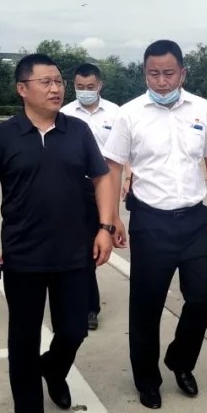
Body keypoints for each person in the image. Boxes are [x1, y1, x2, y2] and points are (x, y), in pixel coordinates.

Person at [0, 54, 117, 413]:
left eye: (58, 82)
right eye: (46, 82)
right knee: (22, 339)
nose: (56, 89)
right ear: (23, 89)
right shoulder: (4, 136)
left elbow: (102, 178)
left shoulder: (77, 131)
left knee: (74, 330)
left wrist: (105, 227)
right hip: (23, 255)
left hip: (74, 252)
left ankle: (53, 368)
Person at [102, 39, 207, 410]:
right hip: (150, 222)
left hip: (192, 220)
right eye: (153, 74)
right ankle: (147, 379)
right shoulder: (130, 114)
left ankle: (180, 360)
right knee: (147, 306)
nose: (161, 82)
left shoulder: (202, 109)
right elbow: (112, 167)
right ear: (144, 74)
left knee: (204, 296)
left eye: (169, 73)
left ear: (183, 73)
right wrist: (111, 218)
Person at [61, 62, 121, 331]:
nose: (85, 91)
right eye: (79, 87)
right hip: (70, 187)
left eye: (90, 86)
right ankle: (69, 302)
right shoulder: (64, 113)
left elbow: (123, 155)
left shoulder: (116, 114)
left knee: (89, 248)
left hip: (100, 187)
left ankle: (89, 308)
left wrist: (126, 180)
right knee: (67, 246)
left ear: (100, 85)